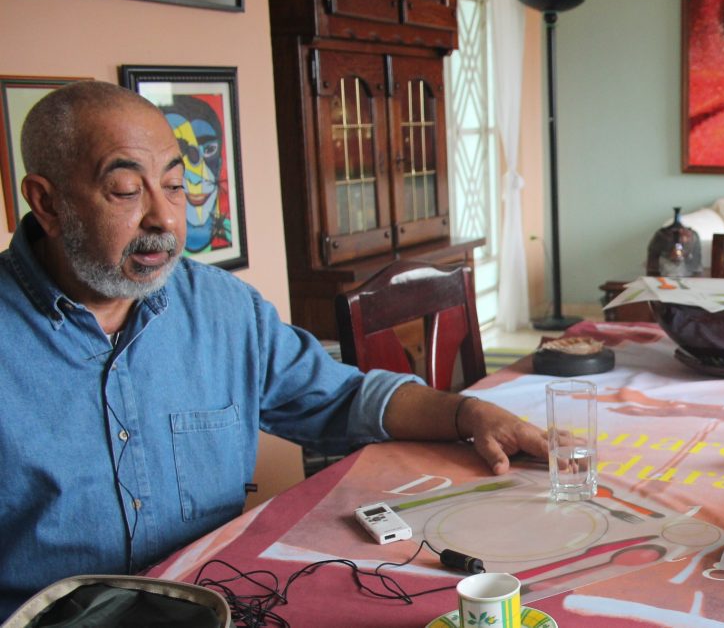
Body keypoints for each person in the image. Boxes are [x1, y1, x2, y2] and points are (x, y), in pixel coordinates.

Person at [0, 81, 550, 617]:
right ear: (47, 202)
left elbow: (344, 398)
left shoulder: (221, 310)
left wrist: (466, 412)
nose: (166, 219)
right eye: (126, 191)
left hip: (213, 604)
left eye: (173, 186)